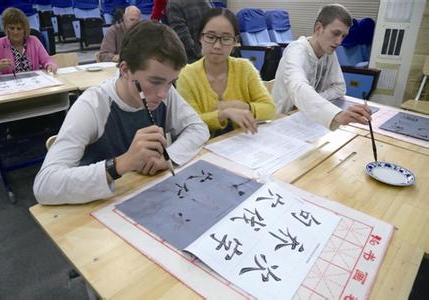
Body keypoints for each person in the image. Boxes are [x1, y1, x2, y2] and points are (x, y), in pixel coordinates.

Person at [33, 21, 210, 205]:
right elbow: (44, 185)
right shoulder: (93, 104)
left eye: (171, 82)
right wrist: (121, 164)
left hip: (143, 198)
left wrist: (168, 158)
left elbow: (198, 128)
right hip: (96, 211)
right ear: (125, 70)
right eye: (155, 81)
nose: (163, 94)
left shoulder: (165, 91)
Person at [176, 8, 275, 137]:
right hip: (203, 148)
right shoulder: (186, 76)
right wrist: (224, 113)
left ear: (235, 41)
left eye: (226, 38)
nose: (217, 46)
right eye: (210, 37)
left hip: (244, 143)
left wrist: (240, 106)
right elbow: (188, 123)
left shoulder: (245, 68)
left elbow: (270, 108)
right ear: (200, 38)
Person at [271, 4, 371, 130]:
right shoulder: (295, 51)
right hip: (282, 119)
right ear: (319, 28)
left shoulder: (328, 52)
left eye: (343, 36)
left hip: (306, 118)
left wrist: (312, 102)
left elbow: (339, 88)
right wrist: (336, 114)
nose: (339, 42)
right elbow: (298, 88)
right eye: (336, 33)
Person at [0, 7, 57, 75]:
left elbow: (47, 60)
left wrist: (50, 65)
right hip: (10, 86)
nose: (15, 32)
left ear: (25, 29)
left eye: (19, 28)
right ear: (6, 28)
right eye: (12, 28)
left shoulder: (34, 41)